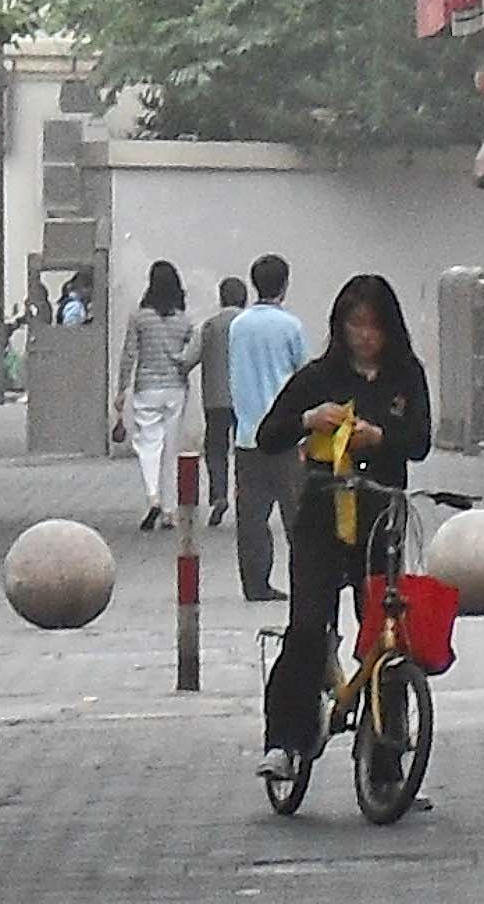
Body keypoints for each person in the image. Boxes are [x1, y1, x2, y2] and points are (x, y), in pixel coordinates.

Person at [254, 274, 432, 781]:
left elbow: (419, 441)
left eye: (374, 326)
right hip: (321, 518)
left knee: (387, 634)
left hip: (380, 520)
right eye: (355, 325)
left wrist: (382, 438)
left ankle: (386, 759)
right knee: (309, 627)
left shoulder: (406, 376)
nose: (365, 336)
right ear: (341, 327)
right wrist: (309, 419)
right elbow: (269, 433)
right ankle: (284, 742)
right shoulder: (318, 377)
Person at [228, 254, 308, 602]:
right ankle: (306, 580)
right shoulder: (291, 327)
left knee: (252, 519)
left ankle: (255, 584)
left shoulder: (239, 325)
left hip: (247, 437)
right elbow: (305, 378)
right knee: (298, 518)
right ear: (285, 284)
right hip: (287, 437)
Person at [113, 261, 194, 532]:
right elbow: (189, 356)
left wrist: (121, 390)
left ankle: (153, 498)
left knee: (148, 446)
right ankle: (170, 510)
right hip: (175, 388)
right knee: (171, 449)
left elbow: (129, 354)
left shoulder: (139, 317)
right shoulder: (184, 320)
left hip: (146, 387)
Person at [181, 277, 247, 527]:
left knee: (216, 449)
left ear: (221, 298)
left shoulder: (209, 327)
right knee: (245, 450)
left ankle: (219, 495)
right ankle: (244, 495)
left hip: (215, 399)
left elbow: (188, 359)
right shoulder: (250, 324)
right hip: (245, 398)